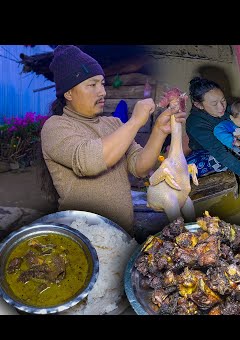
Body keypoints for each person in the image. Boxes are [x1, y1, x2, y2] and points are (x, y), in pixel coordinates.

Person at [39, 45, 186, 234]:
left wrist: (159, 130)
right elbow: (89, 162)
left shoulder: (113, 124)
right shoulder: (56, 127)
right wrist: (134, 122)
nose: (102, 92)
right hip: (85, 233)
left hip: (122, 231)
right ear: (68, 93)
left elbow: (140, 167)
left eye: (101, 83)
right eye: (92, 85)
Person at [185, 77, 240, 187]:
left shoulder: (227, 108)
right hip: (208, 151)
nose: (221, 107)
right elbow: (220, 153)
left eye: (223, 100)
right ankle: (236, 165)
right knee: (188, 169)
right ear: (199, 105)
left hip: (231, 142)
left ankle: (235, 165)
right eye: (214, 104)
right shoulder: (195, 124)